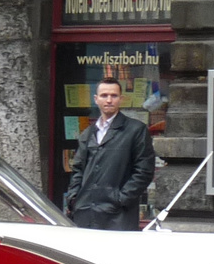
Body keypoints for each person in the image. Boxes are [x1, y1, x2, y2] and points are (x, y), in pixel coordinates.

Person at [65, 77, 156, 230]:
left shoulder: (135, 130)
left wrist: (121, 199)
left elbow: (144, 171)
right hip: (85, 212)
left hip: (117, 215)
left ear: (121, 99)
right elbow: (78, 169)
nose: (109, 100)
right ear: (96, 99)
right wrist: (74, 198)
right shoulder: (88, 133)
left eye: (113, 96)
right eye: (104, 95)